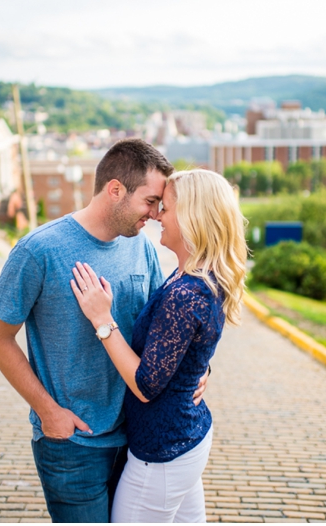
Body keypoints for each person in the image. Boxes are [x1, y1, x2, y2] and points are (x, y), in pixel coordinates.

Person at [0, 139, 208, 523]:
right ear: (115, 190)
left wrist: (200, 371)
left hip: (138, 440)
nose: (156, 214)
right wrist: (47, 411)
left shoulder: (143, 250)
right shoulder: (38, 250)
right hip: (72, 445)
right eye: (151, 201)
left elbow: (170, 333)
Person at [71, 168, 247, 522]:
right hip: (186, 438)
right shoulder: (192, 274)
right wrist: (199, 370)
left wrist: (102, 320)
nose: (156, 216)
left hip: (162, 452)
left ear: (193, 216)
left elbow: (147, 385)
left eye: (165, 208)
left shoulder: (186, 292)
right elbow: (188, 347)